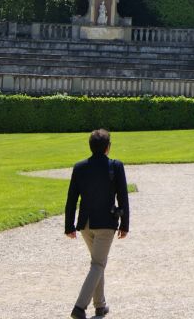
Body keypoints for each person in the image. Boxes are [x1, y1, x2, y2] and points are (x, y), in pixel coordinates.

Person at [65, 129, 130, 319]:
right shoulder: (115, 166)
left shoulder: (80, 167)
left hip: (85, 224)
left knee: (98, 263)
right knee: (98, 263)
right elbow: (123, 197)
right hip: (106, 224)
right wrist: (125, 224)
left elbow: (71, 199)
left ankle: (100, 306)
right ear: (108, 147)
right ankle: (79, 307)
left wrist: (69, 225)